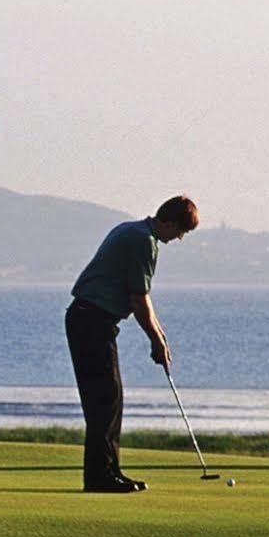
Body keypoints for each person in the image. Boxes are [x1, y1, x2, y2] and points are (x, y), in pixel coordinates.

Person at [66, 195, 199, 492]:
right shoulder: (144, 241)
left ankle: (109, 472)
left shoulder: (133, 230)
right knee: (105, 400)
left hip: (90, 320)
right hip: (91, 321)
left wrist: (160, 336)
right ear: (170, 221)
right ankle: (101, 478)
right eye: (180, 231)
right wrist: (156, 341)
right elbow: (138, 299)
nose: (178, 238)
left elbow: (142, 299)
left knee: (110, 399)